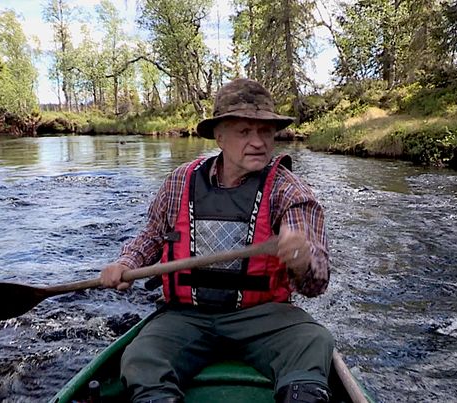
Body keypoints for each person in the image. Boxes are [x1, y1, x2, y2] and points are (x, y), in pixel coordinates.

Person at [100, 78, 333, 403]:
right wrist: (126, 263)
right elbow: (151, 235)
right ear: (219, 136)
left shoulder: (289, 190)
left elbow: (315, 284)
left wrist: (302, 258)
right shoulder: (180, 181)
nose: (258, 142)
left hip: (263, 317)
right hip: (186, 316)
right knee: (141, 357)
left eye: (265, 131)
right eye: (244, 132)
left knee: (313, 340)